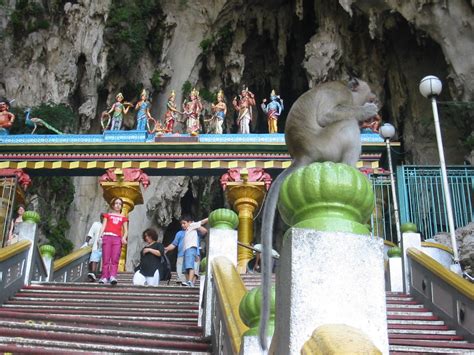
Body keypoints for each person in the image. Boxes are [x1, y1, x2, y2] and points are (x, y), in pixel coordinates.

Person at [165, 215, 208, 287]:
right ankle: (187, 285)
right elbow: (173, 244)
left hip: (194, 253)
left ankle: (191, 285)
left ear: (189, 222)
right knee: (183, 271)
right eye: (181, 224)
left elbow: (205, 231)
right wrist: (166, 249)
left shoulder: (195, 230)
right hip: (182, 255)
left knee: (193, 270)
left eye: (184, 223)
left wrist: (194, 225)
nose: (182, 225)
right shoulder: (179, 233)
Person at [98, 198, 129, 285]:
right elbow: (103, 226)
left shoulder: (123, 218)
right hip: (107, 236)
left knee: (115, 258)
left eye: (120, 204)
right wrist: (100, 236)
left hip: (117, 238)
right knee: (106, 258)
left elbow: (126, 230)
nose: (118, 205)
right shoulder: (107, 215)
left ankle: (112, 276)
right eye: (116, 203)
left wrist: (124, 237)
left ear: (121, 206)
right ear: (113, 205)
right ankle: (104, 277)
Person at [86, 214, 104, 282]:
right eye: (101, 217)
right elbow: (90, 234)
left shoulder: (109, 225)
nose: (102, 218)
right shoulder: (96, 224)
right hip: (97, 245)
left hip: (106, 245)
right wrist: (86, 243)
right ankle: (93, 273)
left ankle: (104, 274)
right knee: (94, 259)